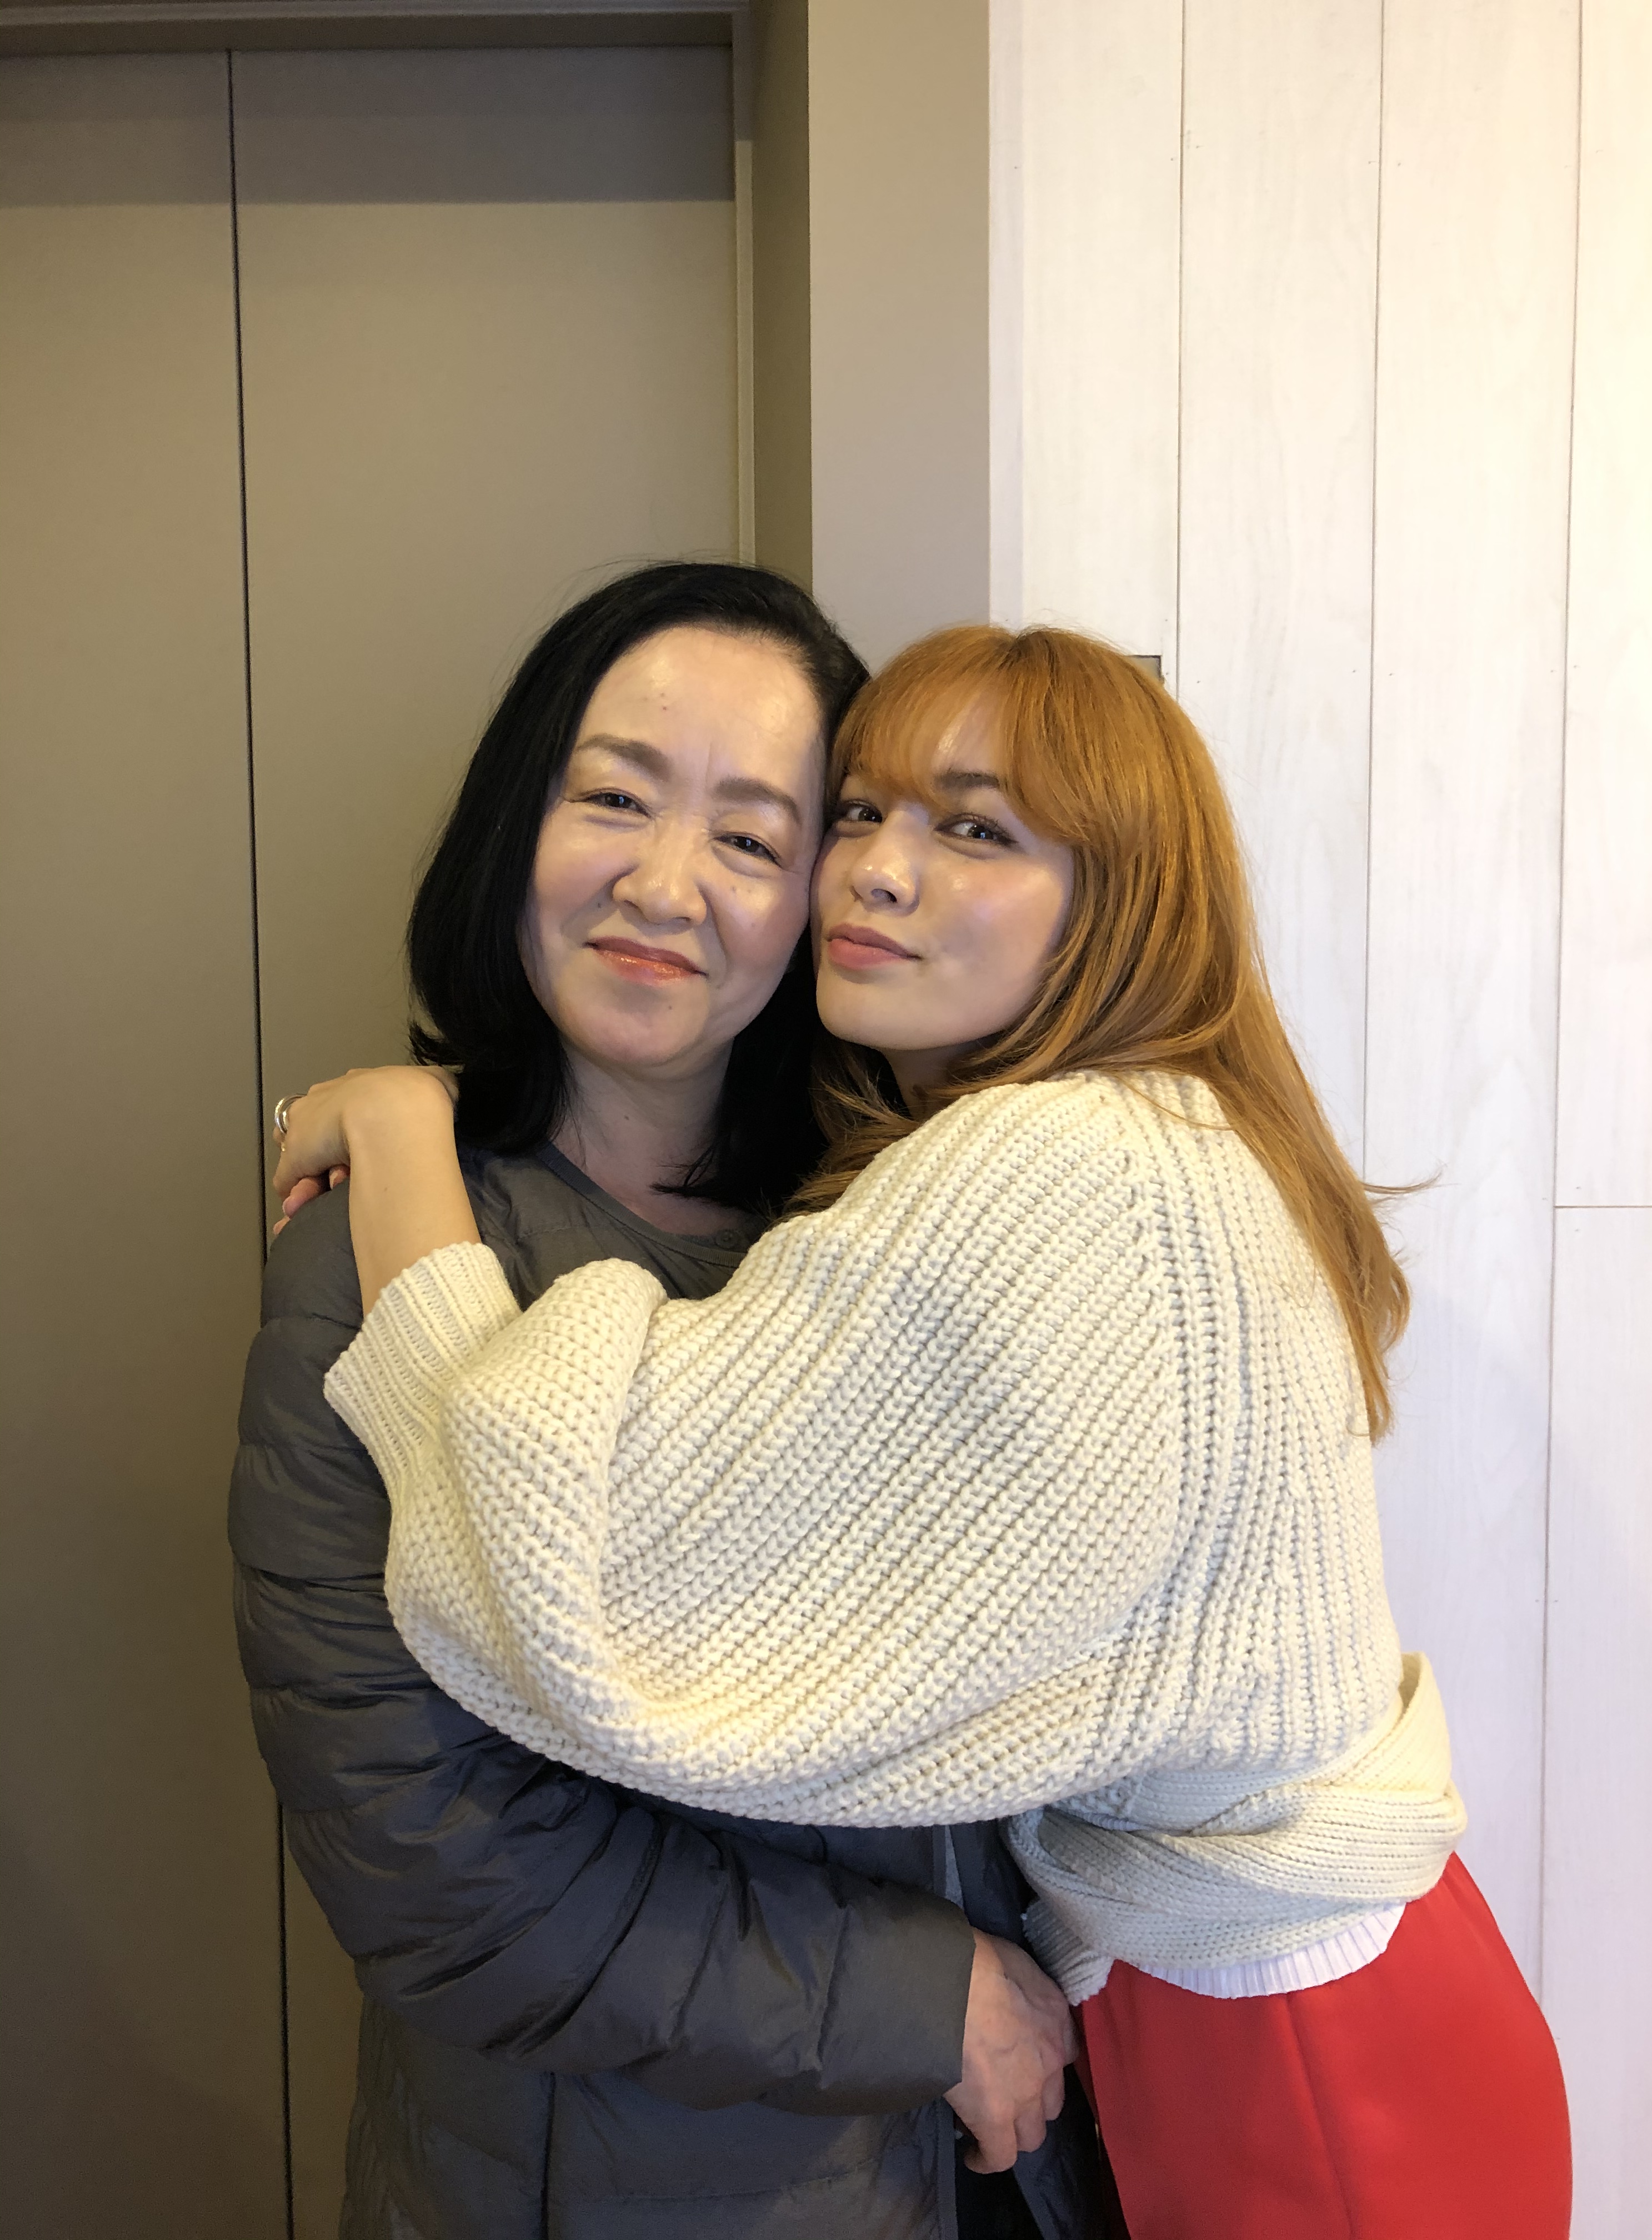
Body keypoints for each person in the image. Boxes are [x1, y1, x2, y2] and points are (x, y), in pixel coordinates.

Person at [277, 622, 1573, 2238]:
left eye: (973, 828)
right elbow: (436, 1839)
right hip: (1307, 1995)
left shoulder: (1054, 1172)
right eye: (863, 812)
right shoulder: (1145, 1148)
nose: (878, 871)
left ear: (1120, 902)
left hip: (1292, 2050)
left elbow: (570, 1573)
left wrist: (407, 1146)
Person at [233, 567, 1105, 2240]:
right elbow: (434, 1862)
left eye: (753, 838)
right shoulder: (373, 1249)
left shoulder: (913, 1227)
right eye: (616, 798)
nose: (663, 883)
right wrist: (920, 2000)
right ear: (520, 822)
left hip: (981, 2160)